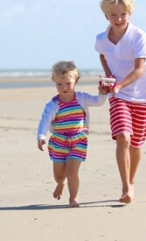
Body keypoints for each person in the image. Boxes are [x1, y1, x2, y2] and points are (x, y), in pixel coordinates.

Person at [94, 0, 146, 204]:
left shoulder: (139, 37)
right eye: (113, 15)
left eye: (123, 14)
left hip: (142, 95)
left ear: (129, 13)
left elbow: (139, 70)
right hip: (119, 97)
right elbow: (102, 55)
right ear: (106, 15)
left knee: (137, 144)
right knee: (123, 138)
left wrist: (119, 85)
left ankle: (132, 180)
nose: (118, 19)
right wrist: (109, 78)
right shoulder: (102, 38)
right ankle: (125, 187)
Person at [37, 61, 109, 208]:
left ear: (76, 81)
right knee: (58, 175)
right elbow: (44, 120)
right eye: (59, 84)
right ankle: (60, 184)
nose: (64, 88)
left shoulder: (81, 98)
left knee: (71, 172)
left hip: (78, 141)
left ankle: (73, 198)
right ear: (55, 83)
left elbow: (98, 101)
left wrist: (102, 93)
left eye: (68, 83)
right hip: (58, 142)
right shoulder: (53, 105)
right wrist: (41, 136)